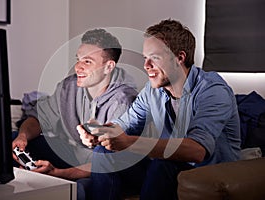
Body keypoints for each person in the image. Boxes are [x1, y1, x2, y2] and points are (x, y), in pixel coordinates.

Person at [77, 19, 241, 199]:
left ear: (179, 58)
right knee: (103, 152)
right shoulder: (152, 90)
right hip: (169, 166)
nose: (146, 65)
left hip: (209, 174)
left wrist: (130, 142)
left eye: (154, 58)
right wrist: (100, 132)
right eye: (145, 58)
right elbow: (125, 124)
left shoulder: (213, 90)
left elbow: (197, 150)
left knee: (162, 164)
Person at [12, 28, 138, 199]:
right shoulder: (69, 86)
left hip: (104, 168)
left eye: (87, 61)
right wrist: (22, 136)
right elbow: (39, 118)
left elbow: (108, 162)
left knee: (82, 188)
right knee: (14, 138)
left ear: (109, 67)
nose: (78, 66)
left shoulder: (123, 100)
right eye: (78, 59)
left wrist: (60, 173)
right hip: (73, 154)